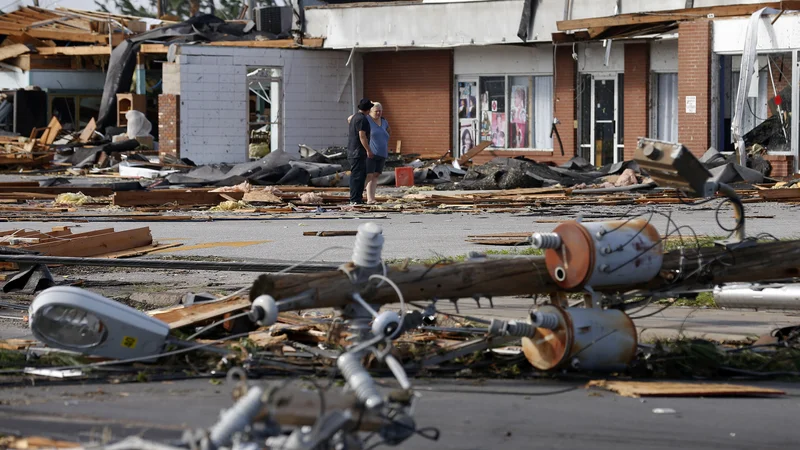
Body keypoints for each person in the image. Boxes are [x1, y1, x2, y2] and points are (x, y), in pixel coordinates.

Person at [347, 98, 374, 205]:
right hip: (358, 151)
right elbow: (362, 136)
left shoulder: (355, 117)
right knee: (358, 176)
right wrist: (368, 150)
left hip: (352, 150)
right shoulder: (362, 119)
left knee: (358, 175)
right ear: (368, 109)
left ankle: (356, 198)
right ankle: (355, 199)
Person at [364, 102, 390, 204]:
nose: (378, 113)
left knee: (376, 175)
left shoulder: (384, 121)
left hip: (382, 152)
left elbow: (388, 130)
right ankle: (369, 198)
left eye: (380, 111)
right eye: (376, 111)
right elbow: (350, 119)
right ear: (370, 111)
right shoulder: (367, 120)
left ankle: (372, 198)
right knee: (369, 175)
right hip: (371, 152)